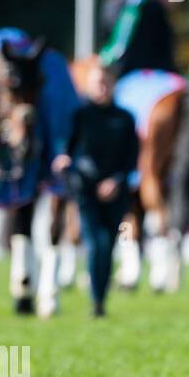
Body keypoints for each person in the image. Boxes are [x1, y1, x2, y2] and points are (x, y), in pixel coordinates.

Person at [52, 60, 139, 318]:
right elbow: (65, 148)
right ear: (89, 86)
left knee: (108, 245)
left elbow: (131, 158)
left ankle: (100, 299)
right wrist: (62, 160)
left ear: (112, 85)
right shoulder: (79, 116)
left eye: (105, 82)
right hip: (85, 190)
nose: (101, 88)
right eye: (97, 83)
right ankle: (96, 301)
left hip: (115, 191)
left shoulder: (124, 118)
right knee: (96, 243)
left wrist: (116, 181)